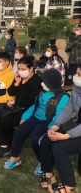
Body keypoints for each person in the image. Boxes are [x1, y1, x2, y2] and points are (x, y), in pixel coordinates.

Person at [3, 68, 69, 170]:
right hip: (36, 117)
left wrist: (52, 127)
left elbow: (59, 115)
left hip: (48, 121)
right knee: (19, 131)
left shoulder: (63, 97)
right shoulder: (43, 92)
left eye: (44, 82)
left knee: (35, 138)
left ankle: (41, 162)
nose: (42, 84)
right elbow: (35, 105)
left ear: (52, 83)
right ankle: (15, 157)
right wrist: (24, 117)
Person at [38, 64, 81, 193]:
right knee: (48, 139)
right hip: (77, 125)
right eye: (76, 73)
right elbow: (69, 108)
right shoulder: (77, 90)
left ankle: (69, 186)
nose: (75, 76)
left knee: (59, 148)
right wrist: (56, 125)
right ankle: (48, 172)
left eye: (79, 74)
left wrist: (67, 135)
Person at [0, 56, 41, 158]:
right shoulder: (20, 78)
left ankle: (10, 144)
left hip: (28, 109)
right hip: (17, 106)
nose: (20, 71)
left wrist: (15, 101)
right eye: (19, 69)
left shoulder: (36, 81)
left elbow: (31, 100)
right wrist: (17, 82)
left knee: (5, 121)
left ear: (31, 69)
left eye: (23, 69)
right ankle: (4, 145)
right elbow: (11, 92)